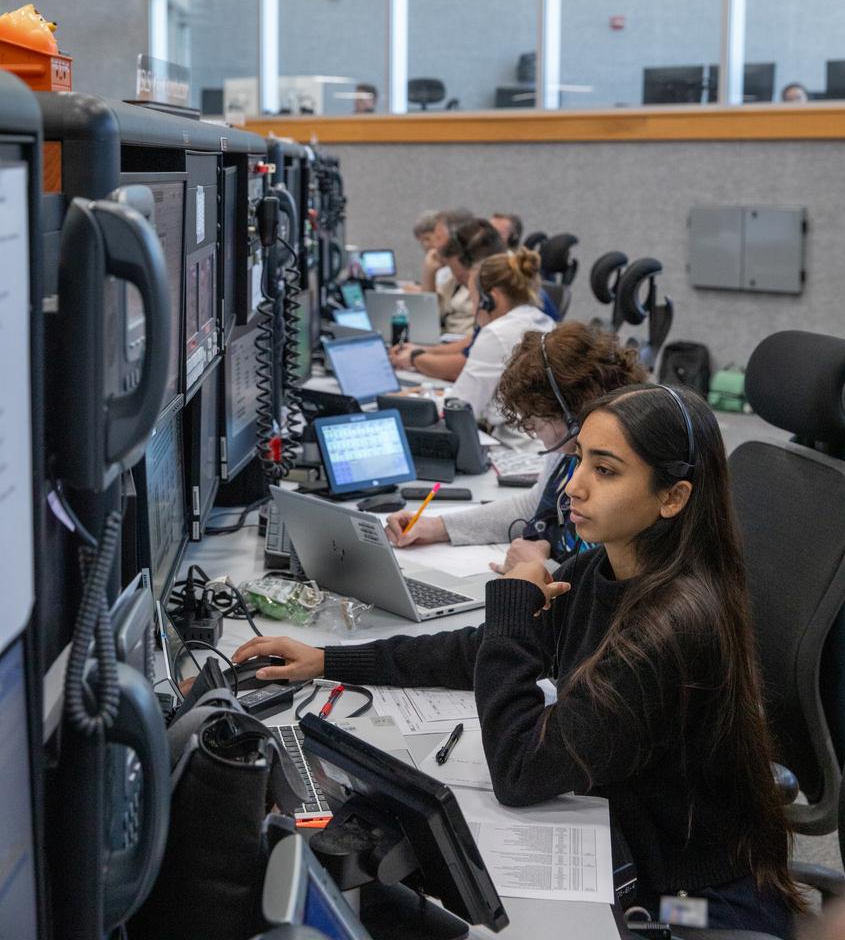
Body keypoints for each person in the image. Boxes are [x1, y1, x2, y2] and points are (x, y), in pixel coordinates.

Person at [234, 384, 802, 937]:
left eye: (605, 470)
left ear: (671, 498)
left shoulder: (667, 630)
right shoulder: (602, 571)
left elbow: (521, 771)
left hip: (687, 904)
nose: (574, 486)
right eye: (579, 460)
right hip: (624, 842)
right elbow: (476, 652)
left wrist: (513, 600)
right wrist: (329, 660)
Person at [386, 322, 646, 573]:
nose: (530, 429)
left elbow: (620, 588)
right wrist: (438, 527)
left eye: (534, 419)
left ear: (571, 415)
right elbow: (532, 506)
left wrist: (540, 571)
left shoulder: (623, 466)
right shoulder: (570, 451)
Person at [396, 247, 555, 443]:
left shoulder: (496, 333)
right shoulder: (543, 320)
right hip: (544, 443)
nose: (474, 309)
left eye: (474, 299)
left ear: (491, 299)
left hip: (513, 447)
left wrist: (408, 400)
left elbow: (460, 407)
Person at [392, 219, 506, 378]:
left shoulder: (499, 298)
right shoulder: (503, 285)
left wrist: (414, 358)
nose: (458, 278)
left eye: (456, 271)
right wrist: (424, 350)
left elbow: (464, 366)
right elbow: (474, 341)